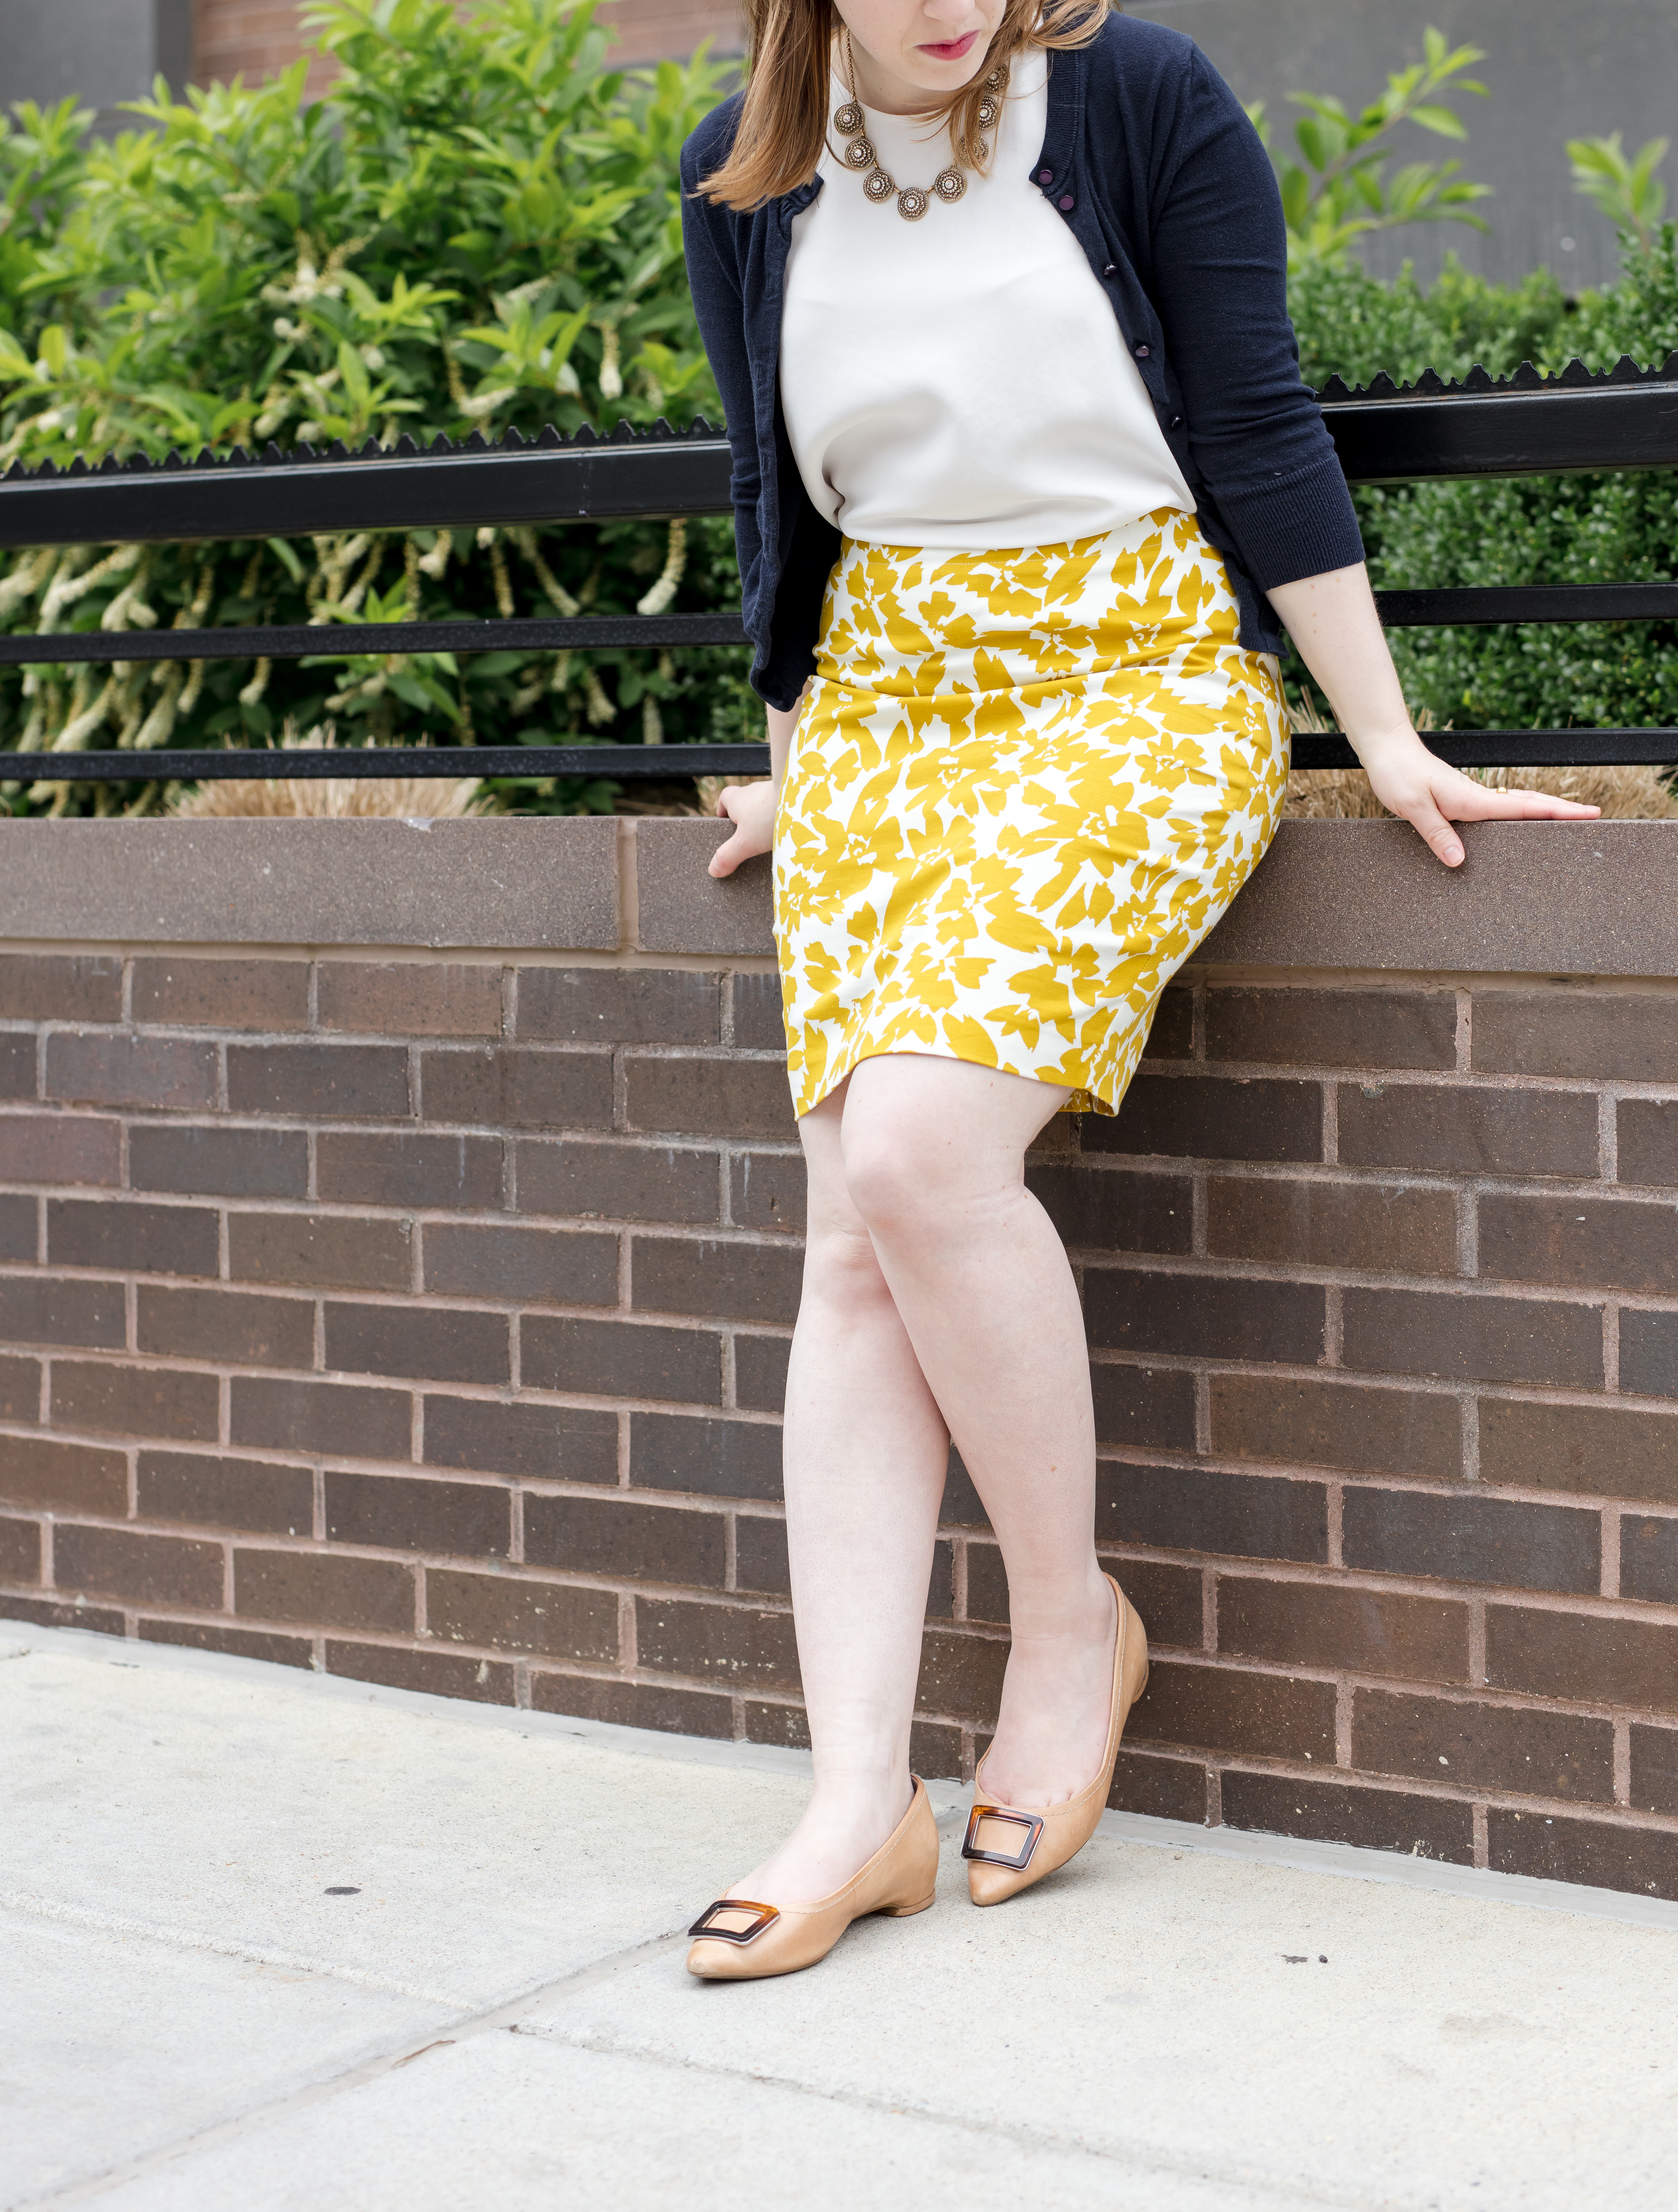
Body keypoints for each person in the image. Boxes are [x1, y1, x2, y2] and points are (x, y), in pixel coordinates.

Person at [676, 0, 1599, 1982]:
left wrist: (1386, 736)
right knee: (850, 1241)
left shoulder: (1138, 96)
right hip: (879, 727)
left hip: (1134, 681)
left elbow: (1257, 419)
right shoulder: (742, 169)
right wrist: (796, 756)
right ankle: (860, 1805)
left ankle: (1065, 1629)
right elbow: (776, 495)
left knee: (923, 1155)